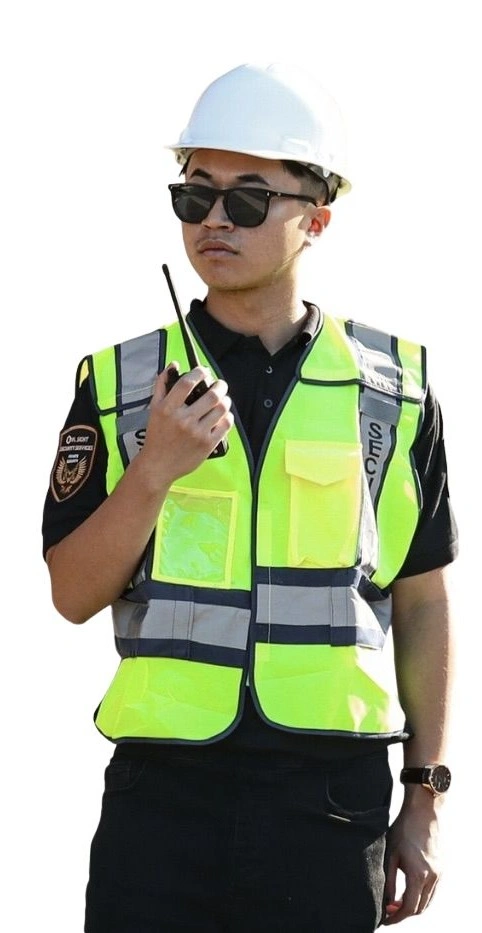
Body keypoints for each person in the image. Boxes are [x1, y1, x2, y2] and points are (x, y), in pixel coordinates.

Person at [42, 63, 457, 933]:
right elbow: (72, 594)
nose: (214, 220)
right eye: (195, 196)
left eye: (247, 198)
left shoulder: (393, 391)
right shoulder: (120, 383)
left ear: (318, 215)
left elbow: (423, 602)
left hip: (329, 804)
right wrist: (154, 469)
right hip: (161, 801)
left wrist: (424, 798)